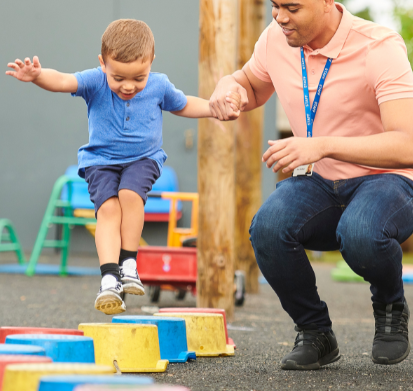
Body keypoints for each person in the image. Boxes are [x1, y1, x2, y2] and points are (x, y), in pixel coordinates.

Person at [210, 0, 413, 370]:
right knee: (268, 228)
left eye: (291, 7)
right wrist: (229, 87)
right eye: (275, 5)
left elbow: (408, 146)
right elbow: (251, 85)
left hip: (388, 180)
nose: (279, 17)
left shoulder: (379, 47)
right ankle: (314, 332)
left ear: (328, 0)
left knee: (361, 232)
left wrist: (321, 143)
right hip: (321, 183)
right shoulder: (276, 40)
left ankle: (390, 307)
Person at [6, 19, 240, 315]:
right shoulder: (95, 80)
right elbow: (63, 80)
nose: (128, 86)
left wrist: (215, 109)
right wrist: (38, 76)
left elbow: (183, 105)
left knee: (130, 195)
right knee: (108, 210)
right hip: (100, 161)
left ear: (151, 63)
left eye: (138, 78)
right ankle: (108, 277)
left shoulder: (159, 85)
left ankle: (129, 263)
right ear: (103, 63)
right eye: (119, 78)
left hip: (143, 158)